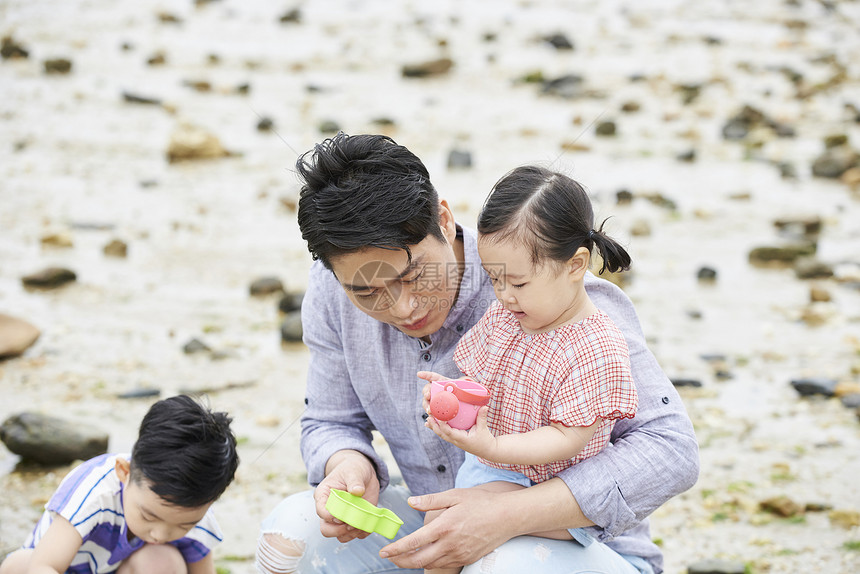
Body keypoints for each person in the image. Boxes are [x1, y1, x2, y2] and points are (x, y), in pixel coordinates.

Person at [255, 133, 699, 574]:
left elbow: (670, 450)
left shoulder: (558, 302)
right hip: (439, 527)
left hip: (573, 551)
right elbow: (330, 421)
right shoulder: (331, 296)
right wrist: (347, 465)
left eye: (413, 276)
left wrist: (508, 515)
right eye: (366, 292)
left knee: (501, 562)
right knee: (290, 535)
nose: (402, 307)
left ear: (444, 220)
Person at [421, 165, 639, 574]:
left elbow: (567, 438)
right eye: (495, 279)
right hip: (493, 468)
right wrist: (452, 392)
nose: (503, 296)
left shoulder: (596, 347)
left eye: (518, 284)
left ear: (575, 266)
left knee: (446, 531)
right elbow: (482, 382)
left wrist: (494, 447)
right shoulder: (508, 317)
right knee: (440, 534)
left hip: (556, 490)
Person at [0, 395, 239, 574]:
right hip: (56, 567)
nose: (160, 534)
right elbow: (45, 566)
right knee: (17, 566)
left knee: (163, 561)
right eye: (148, 517)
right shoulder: (94, 491)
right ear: (124, 472)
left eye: (183, 526)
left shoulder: (194, 504)